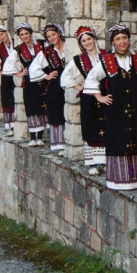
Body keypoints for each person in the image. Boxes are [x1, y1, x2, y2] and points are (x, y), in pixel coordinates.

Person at [83, 24, 137, 190]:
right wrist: (99, 97)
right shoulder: (107, 61)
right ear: (113, 42)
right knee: (119, 140)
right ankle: (120, 179)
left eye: (124, 38)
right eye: (118, 39)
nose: (122, 42)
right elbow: (91, 78)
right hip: (116, 111)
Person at [61, 26, 107, 175]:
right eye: (84, 40)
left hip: (106, 94)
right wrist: (79, 87)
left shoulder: (106, 55)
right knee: (91, 126)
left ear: (94, 38)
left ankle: (106, 161)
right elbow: (65, 77)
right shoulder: (78, 60)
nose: (87, 42)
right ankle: (93, 163)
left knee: (107, 125)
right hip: (89, 98)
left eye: (89, 39)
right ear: (81, 43)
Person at [3, 22, 47, 147]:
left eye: (26, 33)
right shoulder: (18, 49)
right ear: (19, 36)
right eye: (22, 34)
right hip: (29, 82)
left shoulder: (42, 44)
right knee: (32, 107)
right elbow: (7, 65)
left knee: (43, 107)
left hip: (44, 80)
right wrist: (19, 73)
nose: (25, 36)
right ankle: (33, 137)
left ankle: (40, 137)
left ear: (30, 33)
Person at [29, 23, 66, 155]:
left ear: (59, 33)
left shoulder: (70, 46)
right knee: (56, 112)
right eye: (48, 36)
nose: (51, 38)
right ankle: (60, 144)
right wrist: (47, 76)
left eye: (53, 34)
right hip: (55, 86)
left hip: (70, 85)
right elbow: (33, 68)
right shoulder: (47, 51)